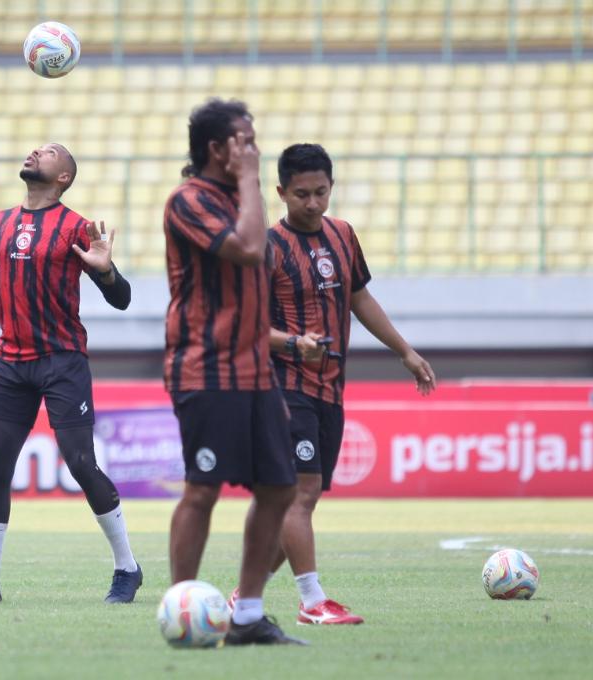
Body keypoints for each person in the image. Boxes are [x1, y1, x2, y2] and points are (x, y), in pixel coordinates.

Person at [0, 142, 143, 605]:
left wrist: (107, 270)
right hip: (11, 362)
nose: (38, 152)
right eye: (38, 149)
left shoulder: (76, 227)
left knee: (80, 462)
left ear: (64, 178)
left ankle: (127, 567)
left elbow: (122, 300)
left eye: (51, 152)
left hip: (63, 361)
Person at [255, 142, 435, 625]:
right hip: (285, 386)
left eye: (320, 192)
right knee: (301, 494)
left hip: (330, 389)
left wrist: (405, 351)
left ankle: (244, 596)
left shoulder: (343, 235)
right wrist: (294, 344)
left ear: (331, 187)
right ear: (281, 192)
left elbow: (359, 297)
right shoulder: (267, 248)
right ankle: (312, 602)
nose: (313, 203)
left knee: (304, 500)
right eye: (301, 195)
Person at [163, 98, 305, 646]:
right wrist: (251, 179)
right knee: (203, 489)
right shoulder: (188, 201)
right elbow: (248, 248)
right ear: (217, 149)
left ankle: (245, 615)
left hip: (255, 371)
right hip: (206, 367)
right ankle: (183, 608)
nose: (254, 149)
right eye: (245, 140)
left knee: (278, 487)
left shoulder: (240, 199)